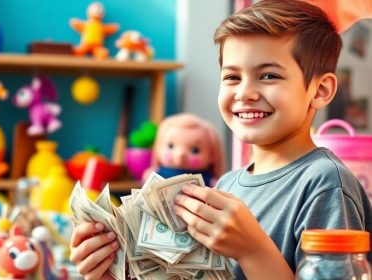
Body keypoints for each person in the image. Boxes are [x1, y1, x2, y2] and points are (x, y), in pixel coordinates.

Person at [69, 1, 372, 279]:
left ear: (320, 90)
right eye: (232, 77)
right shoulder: (226, 185)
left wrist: (253, 251)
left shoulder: (326, 184)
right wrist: (113, 270)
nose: (244, 93)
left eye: (268, 76)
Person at [142, 113, 226, 186]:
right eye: (170, 146)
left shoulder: (207, 179)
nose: (180, 154)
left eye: (195, 150)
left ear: (212, 155)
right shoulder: (156, 174)